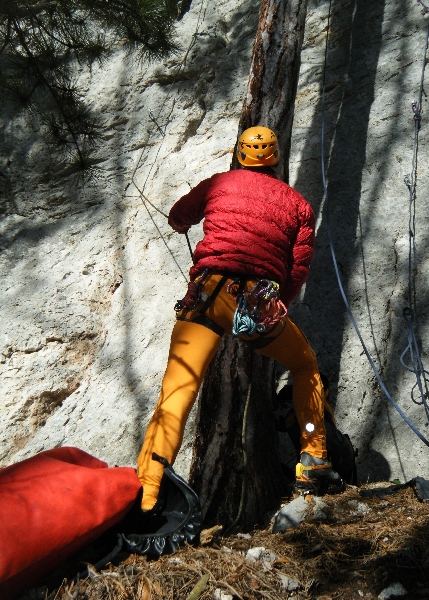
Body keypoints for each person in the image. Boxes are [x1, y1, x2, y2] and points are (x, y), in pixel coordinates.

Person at [137, 126, 341, 512]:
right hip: (256, 304)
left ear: (240, 154)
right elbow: (297, 272)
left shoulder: (220, 184)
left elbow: (179, 216)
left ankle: (148, 489)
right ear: (275, 158)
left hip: (207, 294)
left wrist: (183, 225)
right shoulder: (298, 205)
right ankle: (314, 460)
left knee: (179, 387)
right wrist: (274, 306)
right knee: (304, 365)